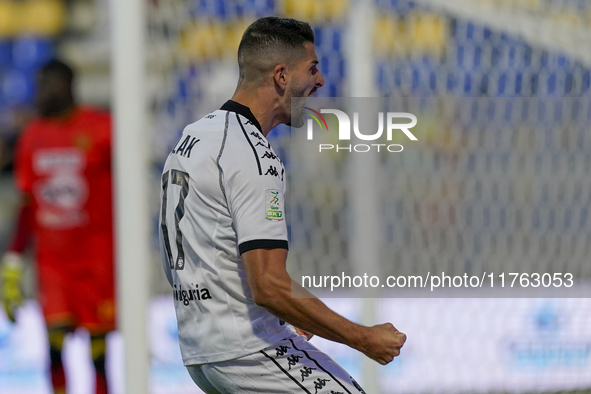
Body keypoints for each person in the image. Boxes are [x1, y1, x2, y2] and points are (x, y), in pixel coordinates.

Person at [159, 16, 406, 393]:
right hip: (249, 351)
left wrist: (292, 315)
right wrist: (362, 337)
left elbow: (195, 257)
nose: (321, 81)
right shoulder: (255, 156)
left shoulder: (193, 138)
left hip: (200, 352)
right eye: (313, 68)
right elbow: (270, 286)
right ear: (281, 77)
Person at [0, 59, 114, 394]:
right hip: (54, 264)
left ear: (67, 85)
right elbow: (25, 205)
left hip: (96, 260)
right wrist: (12, 257)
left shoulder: (101, 128)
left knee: (98, 354)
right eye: (39, 86)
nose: (41, 93)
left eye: (48, 85)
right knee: (53, 347)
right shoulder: (32, 136)